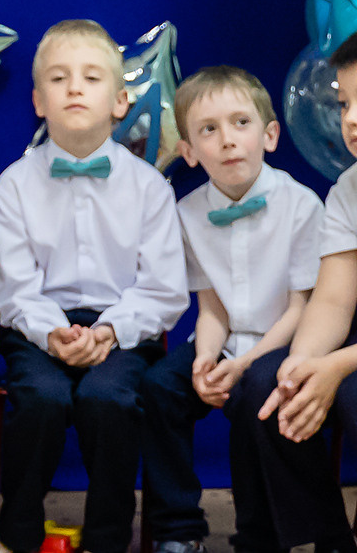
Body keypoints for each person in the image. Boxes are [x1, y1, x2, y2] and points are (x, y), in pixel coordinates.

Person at [0, 20, 185, 553]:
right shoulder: (13, 185)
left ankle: (107, 538)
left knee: (108, 400)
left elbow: (163, 289)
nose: (74, 87)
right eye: (59, 78)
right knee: (42, 398)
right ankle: (17, 533)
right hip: (37, 328)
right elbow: (13, 288)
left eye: (91, 78)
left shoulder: (149, 187)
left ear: (120, 101)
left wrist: (111, 332)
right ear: (37, 101)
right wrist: (53, 333)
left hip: (123, 327)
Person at [137, 66, 328, 553]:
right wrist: (205, 359)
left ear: (269, 136)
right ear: (190, 153)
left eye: (241, 123)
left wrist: (242, 364)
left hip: (284, 341)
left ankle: (258, 536)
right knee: (162, 387)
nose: (227, 141)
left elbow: (301, 309)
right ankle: (178, 530)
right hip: (225, 340)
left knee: (252, 391)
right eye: (208, 130)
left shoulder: (303, 206)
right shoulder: (187, 214)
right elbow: (212, 308)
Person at [246, 31, 357, 552]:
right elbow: (334, 299)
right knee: (272, 383)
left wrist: (337, 367)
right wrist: (306, 362)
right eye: (344, 103)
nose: (350, 119)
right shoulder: (348, 190)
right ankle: (329, 538)